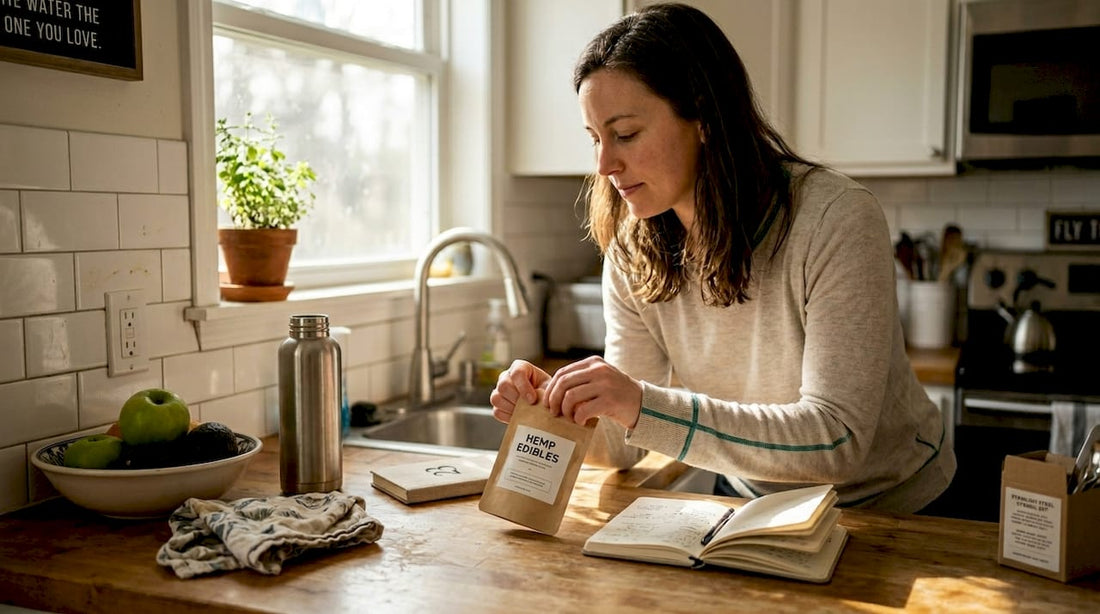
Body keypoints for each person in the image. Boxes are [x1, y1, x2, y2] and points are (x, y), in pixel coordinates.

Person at [490, 2, 955, 513]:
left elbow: (835, 440)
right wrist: (554, 409)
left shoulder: (835, 218)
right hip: (750, 506)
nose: (605, 164)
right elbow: (622, 444)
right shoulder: (630, 247)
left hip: (894, 508)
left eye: (624, 134)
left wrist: (641, 404)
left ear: (704, 116)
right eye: (595, 139)